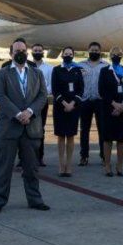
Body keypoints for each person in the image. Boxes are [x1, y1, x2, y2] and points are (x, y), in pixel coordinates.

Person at [0, 38, 50, 213]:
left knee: (31, 169)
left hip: (31, 128)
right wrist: (18, 114)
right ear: (11, 54)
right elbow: (1, 97)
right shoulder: (2, 74)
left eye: (23, 50)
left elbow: (42, 96)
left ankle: (35, 199)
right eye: (17, 51)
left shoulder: (36, 73)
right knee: (3, 168)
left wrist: (29, 112)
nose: (20, 53)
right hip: (9, 128)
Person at [50, 45, 85, 177]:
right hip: (60, 107)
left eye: (70, 54)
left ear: (73, 55)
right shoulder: (57, 70)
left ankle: (69, 165)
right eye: (66, 53)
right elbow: (55, 90)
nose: (68, 55)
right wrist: (64, 103)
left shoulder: (78, 70)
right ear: (62, 55)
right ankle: (61, 164)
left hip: (74, 107)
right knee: (60, 136)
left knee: (71, 136)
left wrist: (72, 103)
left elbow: (81, 89)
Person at [97, 47, 123, 176]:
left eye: (119, 54)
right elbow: (102, 90)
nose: (116, 56)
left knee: (121, 139)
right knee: (108, 138)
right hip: (108, 108)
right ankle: (107, 165)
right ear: (110, 56)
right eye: (114, 54)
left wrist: (122, 105)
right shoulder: (104, 71)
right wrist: (114, 104)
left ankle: (119, 166)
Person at [77, 42, 108, 167]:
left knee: (102, 129)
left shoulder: (106, 65)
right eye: (92, 50)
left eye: (96, 50)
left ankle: (103, 156)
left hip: (100, 101)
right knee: (84, 130)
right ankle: (84, 156)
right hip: (85, 101)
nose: (94, 52)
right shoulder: (80, 65)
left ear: (100, 51)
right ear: (88, 50)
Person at [31, 43, 53, 168]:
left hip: (42, 102)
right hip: (28, 103)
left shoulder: (49, 68)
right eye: (35, 50)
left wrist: (41, 94)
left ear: (43, 52)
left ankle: (40, 157)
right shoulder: (27, 67)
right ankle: (22, 158)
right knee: (24, 131)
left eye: (40, 50)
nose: (38, 52)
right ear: (31, 52)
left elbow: (50, 85)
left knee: (40, 130)